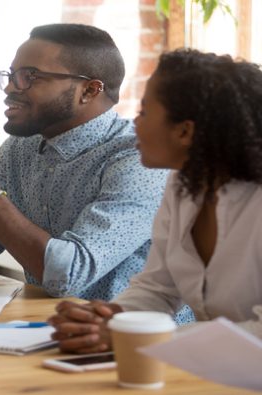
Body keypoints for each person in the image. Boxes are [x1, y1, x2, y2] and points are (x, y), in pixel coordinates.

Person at [0, 23, 168, 302]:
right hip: (46, 327)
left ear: (88, 90)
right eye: (11, 75)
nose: (10, 89)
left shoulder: (140, 159)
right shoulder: (20, 148)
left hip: (137, 338)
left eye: (30, 76)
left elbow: (69, 275)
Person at [48, 48, 262, 353]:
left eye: (145, 111)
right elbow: (157, 290)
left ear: (185, 131)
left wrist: (136, 337)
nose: (135, 122)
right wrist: (106, 321)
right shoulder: (183, 184)